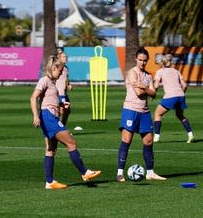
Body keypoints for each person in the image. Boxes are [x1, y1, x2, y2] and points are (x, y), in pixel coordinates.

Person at [30, 55, 101, 190]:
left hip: (51, 116)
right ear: (54, 68)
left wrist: (62, 104)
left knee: (51, 149)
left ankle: (49, 182)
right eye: (60, 70)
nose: (61, 73)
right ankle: (84, 173)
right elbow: (33, 97)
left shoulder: (52, 83)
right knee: (71, 143)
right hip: (48, 117)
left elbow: (49, 100)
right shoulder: (44, 80)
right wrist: (36, 116)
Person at [116, 47, 166, 182]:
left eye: (145, 61)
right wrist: (147, 89)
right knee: (127, 140)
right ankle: (120, 173)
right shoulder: (132, 73)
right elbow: (139, 93)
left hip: (144, 112)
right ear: (136, 59)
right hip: (130, 110)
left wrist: (144, 87)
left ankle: (150, 172)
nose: (142, 63)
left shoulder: (148, 75)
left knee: (149, 141)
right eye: (140, 60)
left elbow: (154, 94)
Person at [153, 53, 195, 143]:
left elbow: (156, 86)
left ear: (161, 63)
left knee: (157, 114)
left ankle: (156, 137)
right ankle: (190, 135)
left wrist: (153, 95)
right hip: (180, 96)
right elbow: (185, 85)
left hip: (170, 96)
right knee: (180, 115)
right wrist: (181, 93)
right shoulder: (176, 71)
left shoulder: (159, 71)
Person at [55, 47, 72, 125]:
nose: (66, 58)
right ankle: (57, 129)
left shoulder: (66, 68)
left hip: (64, 94)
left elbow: (66, 79)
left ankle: (62, 128)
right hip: (59, 93)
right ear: (59, 58)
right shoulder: (57, 67)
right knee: (62, 110)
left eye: (66, 56)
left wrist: (69, 85)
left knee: (67, 110)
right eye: (64, 57)